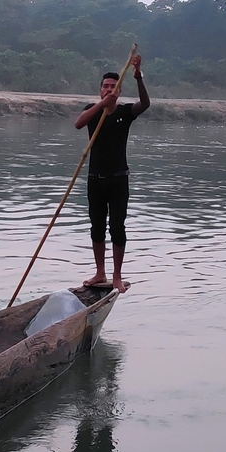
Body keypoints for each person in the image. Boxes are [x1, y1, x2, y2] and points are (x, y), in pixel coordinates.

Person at [75, 54, 150, 293]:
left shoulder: (125, 112)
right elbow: (78, 123)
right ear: (100, 90)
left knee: (117, 227)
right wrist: (102, 105)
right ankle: (100, 272)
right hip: (95, 180)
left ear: (119, 90)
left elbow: (145, 104)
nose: (108, 89)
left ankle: (117, 275)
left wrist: (138, 77)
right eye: (105, 87)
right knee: (96, 227)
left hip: (118, 179)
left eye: (112, 87)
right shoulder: (92, 111)